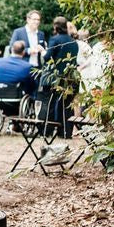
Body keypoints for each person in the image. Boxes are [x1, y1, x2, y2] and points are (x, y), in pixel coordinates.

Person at [39, 15, 80, 163]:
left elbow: (47, 58)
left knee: (50, 104)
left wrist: (43, 51)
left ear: (56, 26)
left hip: (57, 78)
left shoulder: (55, 40)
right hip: (71, 78)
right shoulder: (74, 42)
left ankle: (47, 131)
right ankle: (66, 132)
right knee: (67, 106)